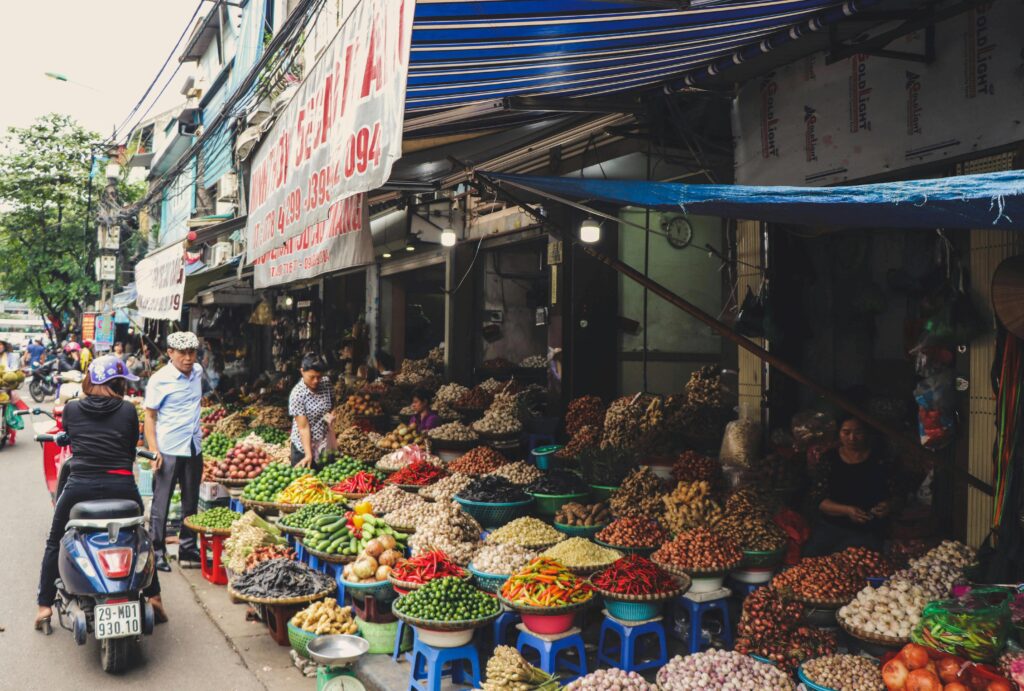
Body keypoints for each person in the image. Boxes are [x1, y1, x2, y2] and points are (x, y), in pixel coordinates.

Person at [35, 355, 165, 630]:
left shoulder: (71, 410)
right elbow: (131, 445)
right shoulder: (128, 411)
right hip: (123, 487)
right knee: (142, 536)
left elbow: (68, 436)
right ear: (117, 383)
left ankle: (44, 607)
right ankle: (154, 598)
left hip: (80, 487)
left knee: (54, 540)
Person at [144, 332, 204, 572]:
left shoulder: (198, 372)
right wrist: (153, 450)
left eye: (192, 353)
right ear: (170, 353)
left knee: (191, 501)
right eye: (183, 353)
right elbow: (149, 416)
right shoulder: (160, 380)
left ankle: (188, 547)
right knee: (162, 503)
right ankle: (156, 552)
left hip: (193, 446)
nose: (188, 358)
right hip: (168, 448)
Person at [803, 415, 900, 557]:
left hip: (868, 530)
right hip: (831, 527)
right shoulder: (829, 459)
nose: (852, 438)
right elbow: (818, 499)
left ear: (866, 433)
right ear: (839, 434)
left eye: (858, 432)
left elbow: (896, 495)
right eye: (846, 432)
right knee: (810, 558)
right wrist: (847, 510)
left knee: (860, 562)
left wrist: (887, 505)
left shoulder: (881, 460)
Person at [288, 354, 336, 467]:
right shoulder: (298, 394)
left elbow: (332, 403)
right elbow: (303, 427)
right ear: (302, 371)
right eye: (311, 377)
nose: (316, 381)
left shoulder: (326, 383)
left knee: (324, 481)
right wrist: (308, 455)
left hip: (323, 444)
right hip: (303, 447)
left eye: (319, 377)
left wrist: (331, 415)